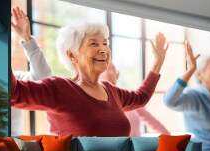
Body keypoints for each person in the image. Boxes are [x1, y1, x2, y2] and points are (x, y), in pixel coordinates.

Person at [11, 7, 170, 136]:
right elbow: (14, 93)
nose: (103, 49)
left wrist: (158, 62)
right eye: (94, 44)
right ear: (72, 55)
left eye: (105, 43)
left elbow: (141, 97)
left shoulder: (111, 90)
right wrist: (13, 42)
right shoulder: (58, 88)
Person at [100, 64, 170, 136]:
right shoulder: (97, 102)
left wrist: (169, 137)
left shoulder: (128, 97)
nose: (110, 72)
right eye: (106, 70)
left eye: (113, 69)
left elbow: (152, 121)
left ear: (117, 75)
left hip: (136, 146)